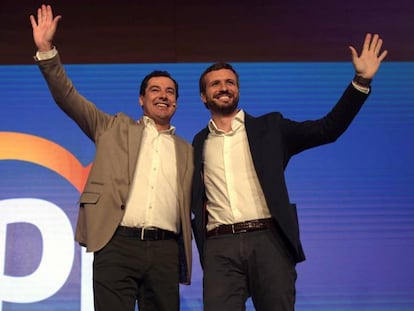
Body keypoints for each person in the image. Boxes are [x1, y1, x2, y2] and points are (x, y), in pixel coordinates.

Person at [191, 33, 387, 311]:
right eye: (215, 84)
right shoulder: (198, 143)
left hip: (268, 240)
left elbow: (327, 129)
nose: (224, 87)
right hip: (220, 246)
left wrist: (361, 82)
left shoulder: (271, 128)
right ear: (204, 96)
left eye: (230, 82)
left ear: (237, 90)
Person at [30, 4, 193, 311]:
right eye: (155, 90)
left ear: (176, 103)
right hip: (117, 244)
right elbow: (69, 98)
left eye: (170, 92)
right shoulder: (111, 127)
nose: (163, 95)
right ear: (141, 100)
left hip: (165, 250)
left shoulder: (188, 150)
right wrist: (46, 51)